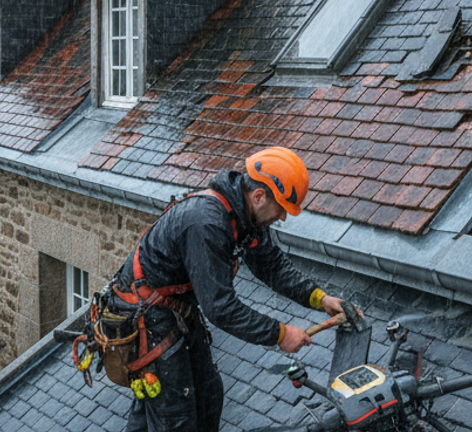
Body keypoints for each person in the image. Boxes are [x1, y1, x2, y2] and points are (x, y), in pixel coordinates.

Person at [106, 147, 346, 432]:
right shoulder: (206, 222)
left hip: (176, 309)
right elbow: (220, 307)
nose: (282, 217)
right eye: (281, 208)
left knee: (208, 394)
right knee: (175, 416)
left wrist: (319, 298)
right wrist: (280, 334)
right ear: (259, 196)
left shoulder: (244, 218)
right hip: (147, 314)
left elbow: (271, 265)